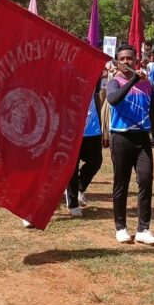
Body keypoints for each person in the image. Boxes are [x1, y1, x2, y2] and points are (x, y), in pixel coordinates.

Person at [106, 44, 154, 245]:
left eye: (130, 58)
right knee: (121, 184)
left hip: (142, 139)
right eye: (122, 59)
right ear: (117, 62)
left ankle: (143, 229)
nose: (126, 62)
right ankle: (121, 227)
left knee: (146, 179)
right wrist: (133, 79)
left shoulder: (146, 85)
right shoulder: (114, 82)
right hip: (121, 138)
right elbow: (113, 100)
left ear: (136, 60)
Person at [65, 88, 104, 217]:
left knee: (96, 161)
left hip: (92, 129)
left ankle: (79, 189)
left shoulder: (92, 75)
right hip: (71, 129)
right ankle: (73, 203)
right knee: (72, 167)